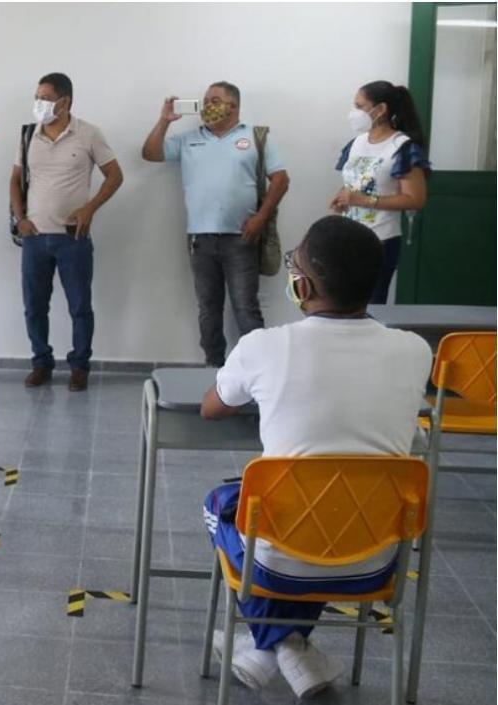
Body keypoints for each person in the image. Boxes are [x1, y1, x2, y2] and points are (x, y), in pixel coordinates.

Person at [198, 216, 431, 698]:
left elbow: (212, 408)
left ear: (301, 283)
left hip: (280, 563)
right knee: (332, 514)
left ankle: (271, 645)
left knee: (224, 502)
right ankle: (290, 649)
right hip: (376, 558)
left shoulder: (264, 346)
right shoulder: (413, 351)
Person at [142, 82, 290, 367]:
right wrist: (164, 120)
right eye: (206, 99)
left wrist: (261, 217)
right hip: (200, 239)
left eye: (215, 100)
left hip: (242, 238)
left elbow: (281, 180)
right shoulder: (188, 140)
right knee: (208, 309)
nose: (208, 104)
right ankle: (213, 369)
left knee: (246, 308)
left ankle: (256, 371)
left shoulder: (255, 137)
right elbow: (150, 153)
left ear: (233, 106)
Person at [10, 72, 124, 391]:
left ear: (65, 101)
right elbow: (14, 180)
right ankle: (41, 363)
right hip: (34, 237)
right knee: (34, 306)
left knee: (79, 306)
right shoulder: (28, 135)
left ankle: (79, 367)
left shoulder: (88, 134)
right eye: (37, 97)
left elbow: (115, 176)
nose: (39, 104)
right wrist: (20, 218)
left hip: (72, 237)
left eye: (45, 98)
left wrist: (90, 208)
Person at [331, 80, 430, 304]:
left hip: (381, 239)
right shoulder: (356, 143)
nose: (353, 113)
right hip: (350, 235)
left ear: (381, 109)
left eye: (360, 106)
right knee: (344, 302)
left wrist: (363, 200)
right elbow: (354, 181)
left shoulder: (402, 147)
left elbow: (415, 199)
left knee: (371, 304)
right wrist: (343, 197)